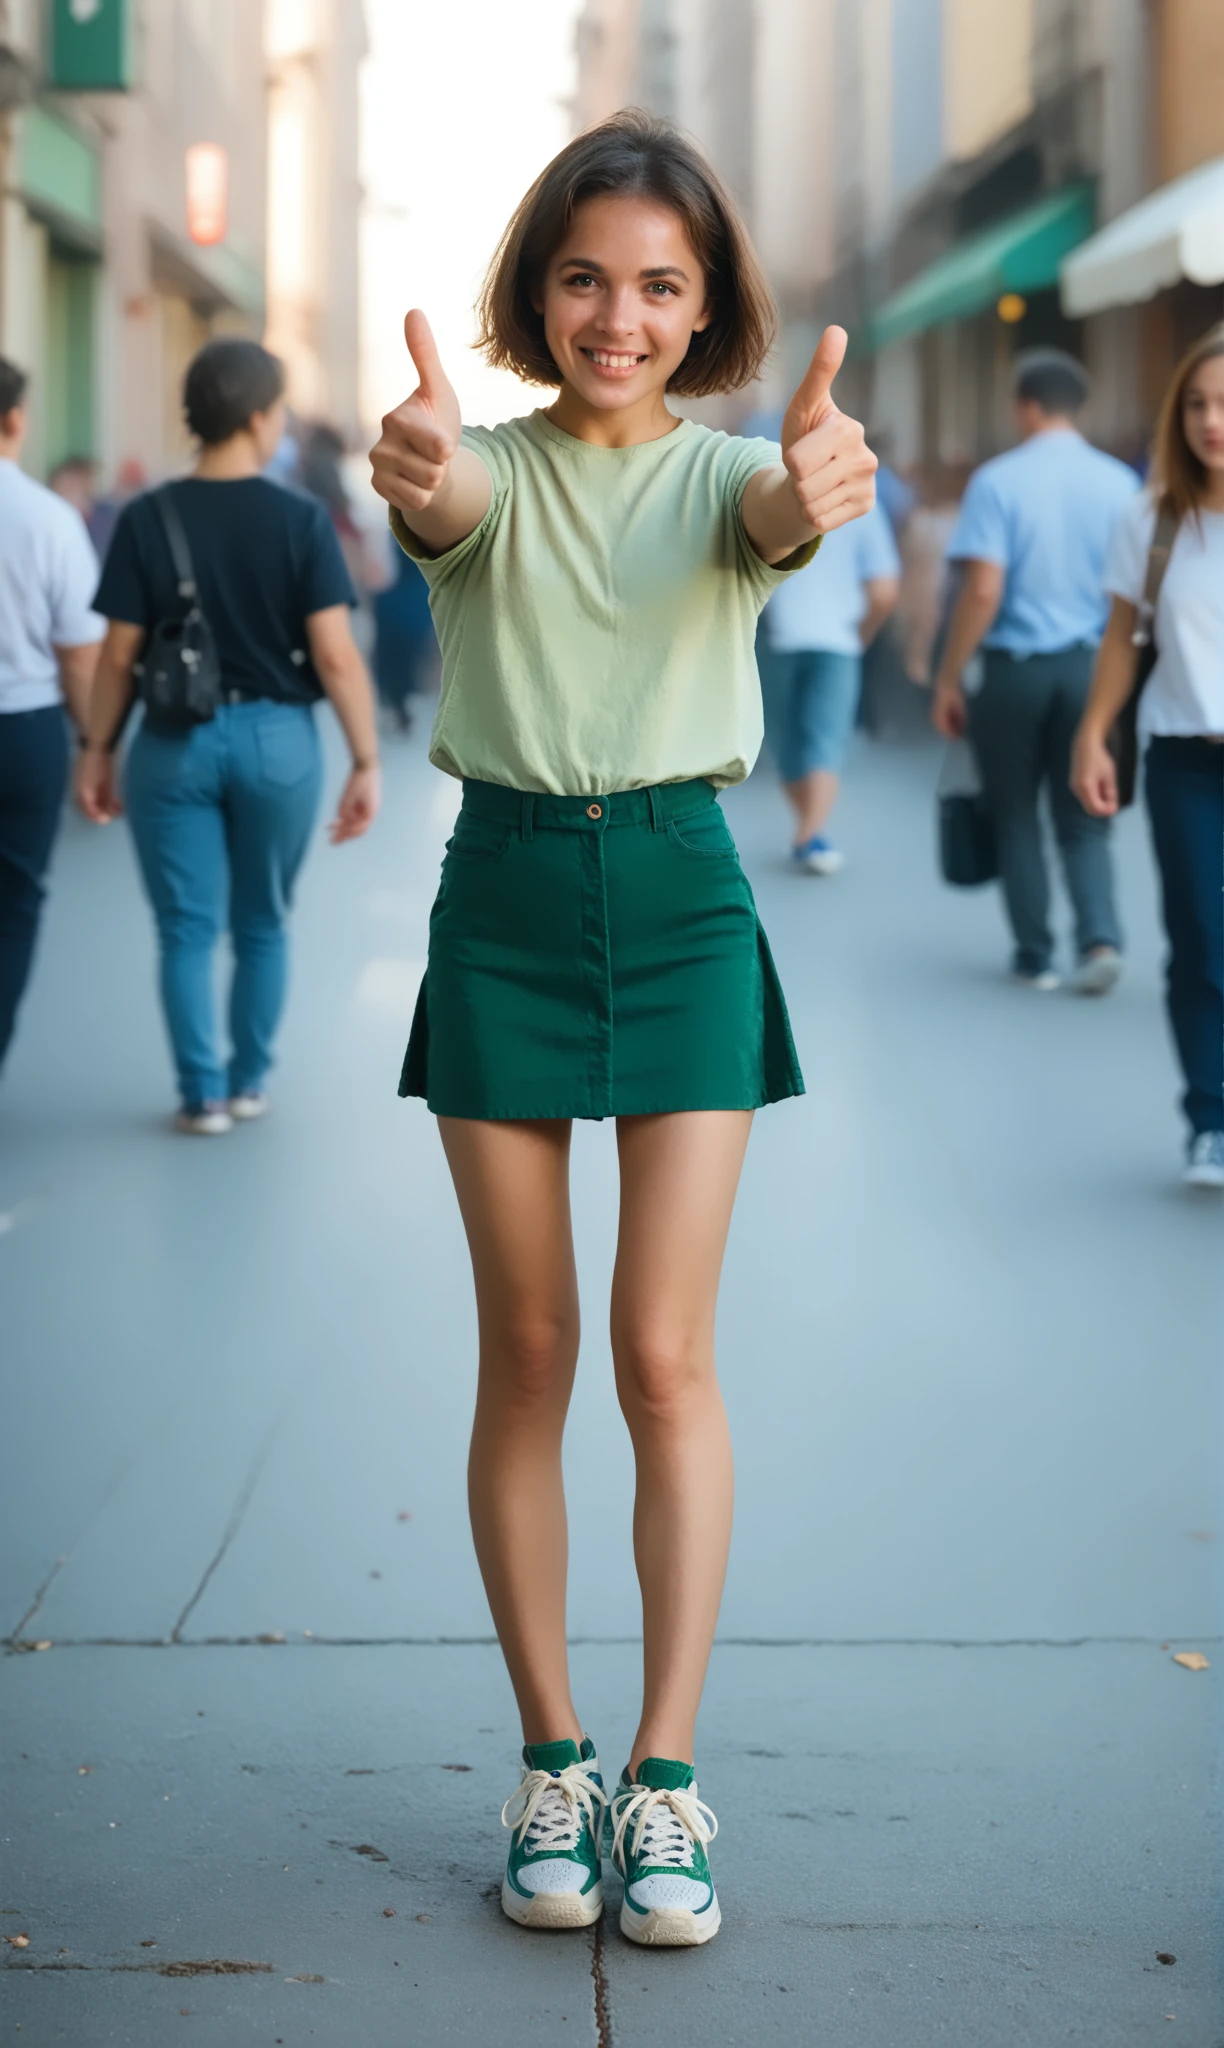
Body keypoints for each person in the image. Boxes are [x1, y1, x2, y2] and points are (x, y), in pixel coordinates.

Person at [370, 109, 876, 1949]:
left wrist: (808, 481)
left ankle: (662, 1777)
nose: (617, 314)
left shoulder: (737, 481)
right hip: (500, 895)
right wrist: (411, 462)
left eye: (659, 284)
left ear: (704, 305)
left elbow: (759, 513)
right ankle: (550, 1759)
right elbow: (445, 501)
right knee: (527, 1341)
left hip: (678, 896)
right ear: (536, 285)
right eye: (584, 276)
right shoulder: (483, 470)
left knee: (663, 1357)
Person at [76, 338, 381, 1134]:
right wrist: (366, 758)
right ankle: (248, 1082)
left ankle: (201, 1093)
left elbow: (116, 654)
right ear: (257, 417)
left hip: (170, 742)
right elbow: (335, 656)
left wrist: (98, 748)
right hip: (279, 741)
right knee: (263, 922)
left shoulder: (146, 518)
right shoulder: (300, 520)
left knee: (184, 927)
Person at [932, 349, 1138, 993]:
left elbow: (984, 591)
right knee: (1085, 815)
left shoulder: (997, 480)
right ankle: (1099, 939)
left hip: (1014, 674)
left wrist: (948, 676)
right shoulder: (1121, 485)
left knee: (1015, 812)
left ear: (1024, 404)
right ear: (1080, 408)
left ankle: (1035, 955)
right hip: (1093, 667)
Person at [1072, 324, 1224, 1188]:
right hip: (1183, 761)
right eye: (1198, 404)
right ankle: (1210, 1119)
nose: (1212, 422)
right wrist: (1094, 731)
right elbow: (1124, 641)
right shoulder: (1153, 521)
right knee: (1202, 939)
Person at [0, 359, 103, 1073]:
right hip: (24, 734)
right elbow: (77, 657)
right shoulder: (48, 518)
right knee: (13, 905)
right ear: (15, 420)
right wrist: (95, 743)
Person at [760, 497, 900, 870]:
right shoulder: (864, 503)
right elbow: (884, 590)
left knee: (784, 738)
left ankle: (809, 833)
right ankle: (811, 833)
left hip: (778, 636)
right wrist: (862, 635)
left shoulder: (778, 489)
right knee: (825, 737)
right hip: (839, 640)